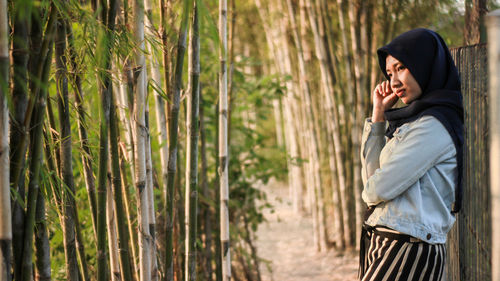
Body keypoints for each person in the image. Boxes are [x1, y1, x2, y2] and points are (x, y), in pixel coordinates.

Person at [358, 28, 464, 281]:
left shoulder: (433, 126)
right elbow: (372, 181)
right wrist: (378, 117)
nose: (393, 82)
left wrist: (371, 190)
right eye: (389, 72)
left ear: (426, 64)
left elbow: (374, 190)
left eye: (402, 67)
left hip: (407, 250)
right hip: (392, 245)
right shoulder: (413, 123)